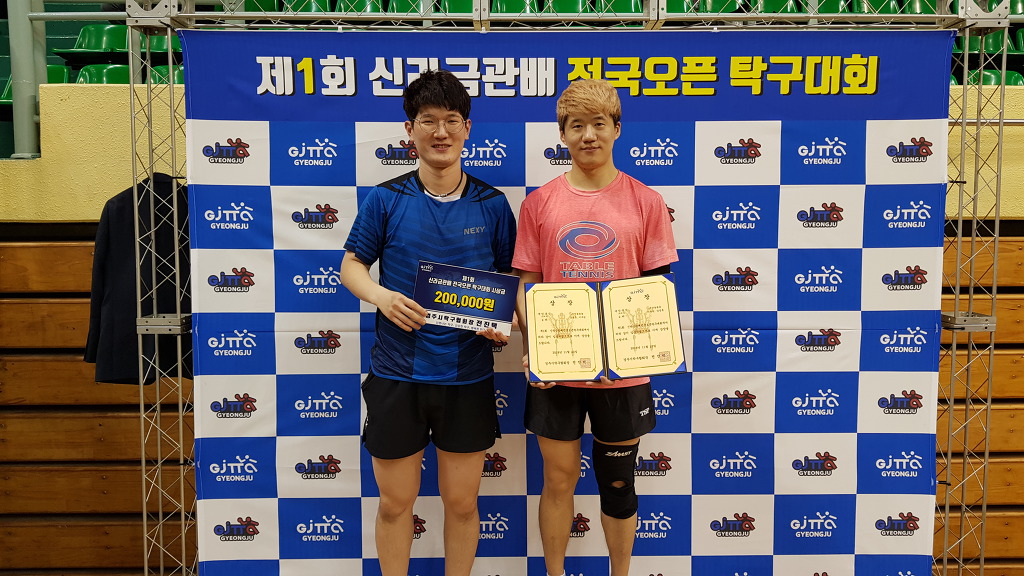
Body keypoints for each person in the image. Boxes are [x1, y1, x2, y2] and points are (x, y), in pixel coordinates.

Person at [340, 69, 517, 576]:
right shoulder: (386, 198)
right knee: (396, 503)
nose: (441, 132)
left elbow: (510, 278)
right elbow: (351, 266)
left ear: (467, 129)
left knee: (462, 504)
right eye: (428, 121)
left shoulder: (492, 204)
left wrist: (502, 319)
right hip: (398, 374)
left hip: (468, 376)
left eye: (452, 120)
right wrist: (381, 296)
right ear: (410, 130)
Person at [513, 78, 678, 576]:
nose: (589, 135)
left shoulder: (646, 201)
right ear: (562, 134)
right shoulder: (539, 203)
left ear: (617, 129)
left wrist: (642, 348)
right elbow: (527, 283)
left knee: (619, 483)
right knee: (558, 480)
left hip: (624, 373)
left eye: (599, 124)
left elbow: (655, 291)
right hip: (559, 371)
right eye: (577, 126)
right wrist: (537, 348)